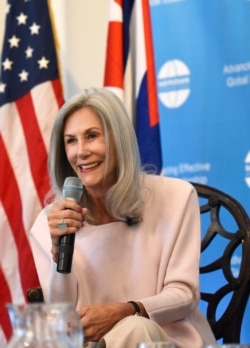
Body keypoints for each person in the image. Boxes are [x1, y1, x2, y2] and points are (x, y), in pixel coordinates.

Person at [30, 87, 216, 348]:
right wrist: (59, 250)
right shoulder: (49, 223)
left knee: (135, 327)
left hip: (170, 341)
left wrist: (126, 311)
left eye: (92, 136)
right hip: (89, 344)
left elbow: (183, 295)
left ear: (120, 139)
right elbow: (63, 318)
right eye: (71, 140)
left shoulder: (176, 197)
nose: (80, 151)